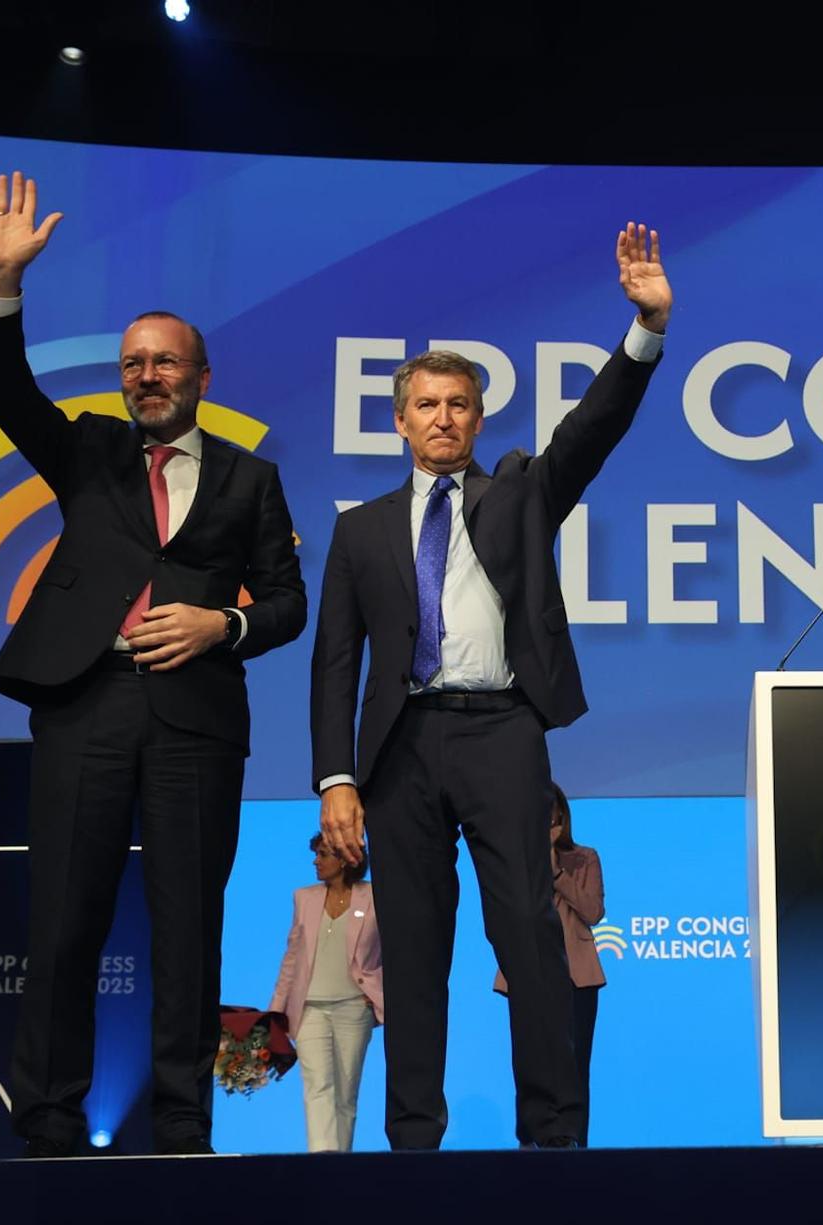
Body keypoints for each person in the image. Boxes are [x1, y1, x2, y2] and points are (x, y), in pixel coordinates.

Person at [0, 171, 308, 1157]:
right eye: (132, 363)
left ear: (200, 375)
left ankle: (180, 1123)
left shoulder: (252, 480)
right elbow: (4, 389)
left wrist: (219, 626)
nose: (145, 375)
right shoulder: (88, 453)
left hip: (197, 721)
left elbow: (284, 605)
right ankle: (47, 1116)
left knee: (187, 928)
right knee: (66, 921)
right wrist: (2, 284)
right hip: (86, 706)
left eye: (163, 361)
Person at [310, 222, 672, 1150]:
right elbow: (335, 663)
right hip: (399, 751)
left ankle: (553, 1139)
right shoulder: (361, 533)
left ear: (478, 416)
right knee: (417, 952)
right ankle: (414, 1143)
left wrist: (645, 330)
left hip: (504, 733)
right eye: (426, 403)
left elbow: (592, 432)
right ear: (400, 418)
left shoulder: (518, 495)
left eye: (459, 403)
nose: (443, 417)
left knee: (526, 931)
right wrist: (335, 777)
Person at [493, 785, 605, 1145]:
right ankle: (529, 1139)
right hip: (527, 970)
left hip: (577, 975)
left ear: (560, 814)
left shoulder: (584, 858)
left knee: (575, 1065)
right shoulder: (514, 859)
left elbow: (592, 910)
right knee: (529, 1062)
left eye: (549, 809)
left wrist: (555, 870)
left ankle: (576, 1142)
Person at [268, 832, 384, 1152]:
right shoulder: (304, 898)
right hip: (309, 1008)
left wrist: (376, 990)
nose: (315, 861)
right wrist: (275, 1012)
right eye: (316, 854)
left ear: (346, 858)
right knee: (317, 1086)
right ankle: (322, 1160)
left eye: (323, 854)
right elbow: (292, 958)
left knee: (346, 1092)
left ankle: (340, 1162)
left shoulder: (375, 897)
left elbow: (396, 950)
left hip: (354, 1007)